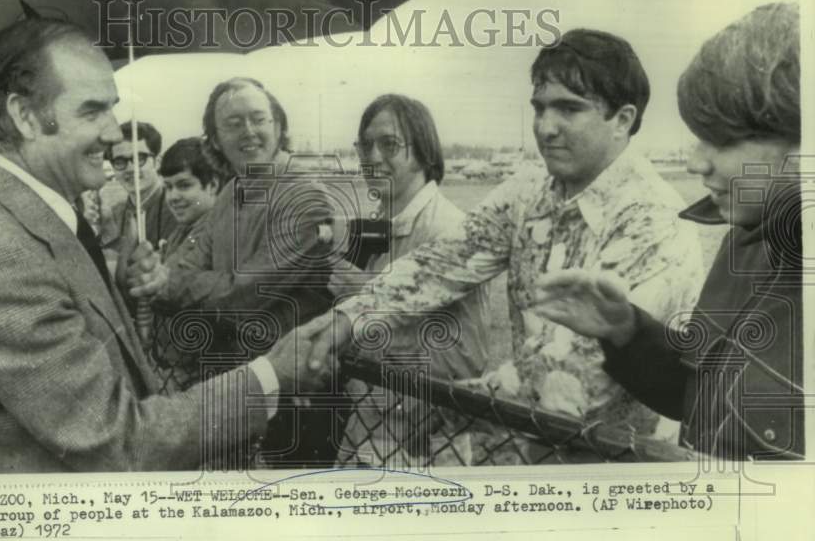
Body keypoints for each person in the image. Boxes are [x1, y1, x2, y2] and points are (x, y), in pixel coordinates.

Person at [0, 19, 330, 473]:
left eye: (111, 110)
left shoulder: (44, 222)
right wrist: (270, 375)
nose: (115, 132)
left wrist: (130, 283)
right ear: (25, 116)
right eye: (92, 111)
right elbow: (120, 443)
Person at [294, 29, 705, 460]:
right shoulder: (529, 189)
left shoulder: (655, 218)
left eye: (569, 108)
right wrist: (350, 317)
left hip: (625, 467)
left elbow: (577, 375)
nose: (546, 127)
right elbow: (443, 263)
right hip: (535, 451)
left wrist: (453, 409)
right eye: (540, 107)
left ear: (622, 119)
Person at [533, 2, 804, 460]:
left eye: (722, 139)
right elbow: (693, 397)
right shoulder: (746, 240)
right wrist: (626, 332)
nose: (697, 162)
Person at [123, 76, 336, 465]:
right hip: (237, 389)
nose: (249, 132)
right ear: (215, 139)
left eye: (259, 119)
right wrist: (165, 276)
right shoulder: (229, 193)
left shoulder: (306, 198)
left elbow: (246, 294)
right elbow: (188, 264)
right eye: (233, 123)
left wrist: (167, 282)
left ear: (279, 126)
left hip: (294, 395)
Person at [329, 94, 490, 467]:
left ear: (424, 151)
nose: (372, 157)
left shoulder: (447, 229)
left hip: (422, 443)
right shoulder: (381, 221)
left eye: (389, 145)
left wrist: (369, 302)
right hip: (368, 426)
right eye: (364, 145)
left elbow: (467, 360)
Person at [145, 137, 223, 391]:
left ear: (212, 185)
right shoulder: (183, 229)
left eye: (184, 186)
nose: (173, 197)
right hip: (172, 366)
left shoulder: (217, 231)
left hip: (199, 375)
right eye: (167, 187)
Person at [98, 120, 179, 266]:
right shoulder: (114, 215)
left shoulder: (178, 209)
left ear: (157, 161)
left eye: (139, 159)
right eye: (120, 161)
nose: (130, 169)